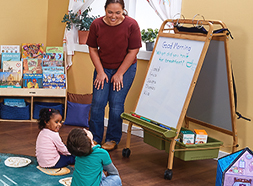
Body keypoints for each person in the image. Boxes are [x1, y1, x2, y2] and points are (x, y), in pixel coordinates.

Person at [86, 0, 142, 151]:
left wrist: (119, 73)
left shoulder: (131, 25)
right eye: (110, 12)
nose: (113, 16)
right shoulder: (96, 25)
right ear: (104, 10)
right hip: (103, 67)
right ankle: (95, 137)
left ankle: (112, 138)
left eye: (118, 13)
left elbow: (133, 51)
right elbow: (92, 48)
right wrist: (100, 71)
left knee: (116, 105)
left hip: (125, 68)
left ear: (123, 11)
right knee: (98, 103)